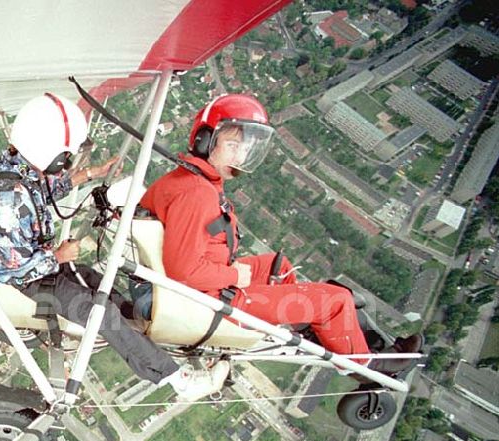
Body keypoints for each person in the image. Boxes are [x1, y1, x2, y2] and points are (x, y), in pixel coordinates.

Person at [0, 92, 228, 400]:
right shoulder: (5, 200)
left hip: (39, 267)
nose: (65, 165)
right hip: (28, 282)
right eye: (66, 159)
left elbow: (42, 189)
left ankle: (142, 330)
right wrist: (56, 256)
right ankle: (177, 380)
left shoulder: (17, 171)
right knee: (97, 313)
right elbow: (8, 269)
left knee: (94, 281)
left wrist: (91, 174)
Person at [139, 93, 420, 374]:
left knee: (278, 267)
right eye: (232, 145)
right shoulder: (196, 193)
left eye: (243, 148)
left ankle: (326, 332)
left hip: (210, 282)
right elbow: (184, 273)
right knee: (336, 300)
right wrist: (234, 275)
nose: (239, 156)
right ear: (204, 141)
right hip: (213, 299)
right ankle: (368, 366)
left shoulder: (191, 179)